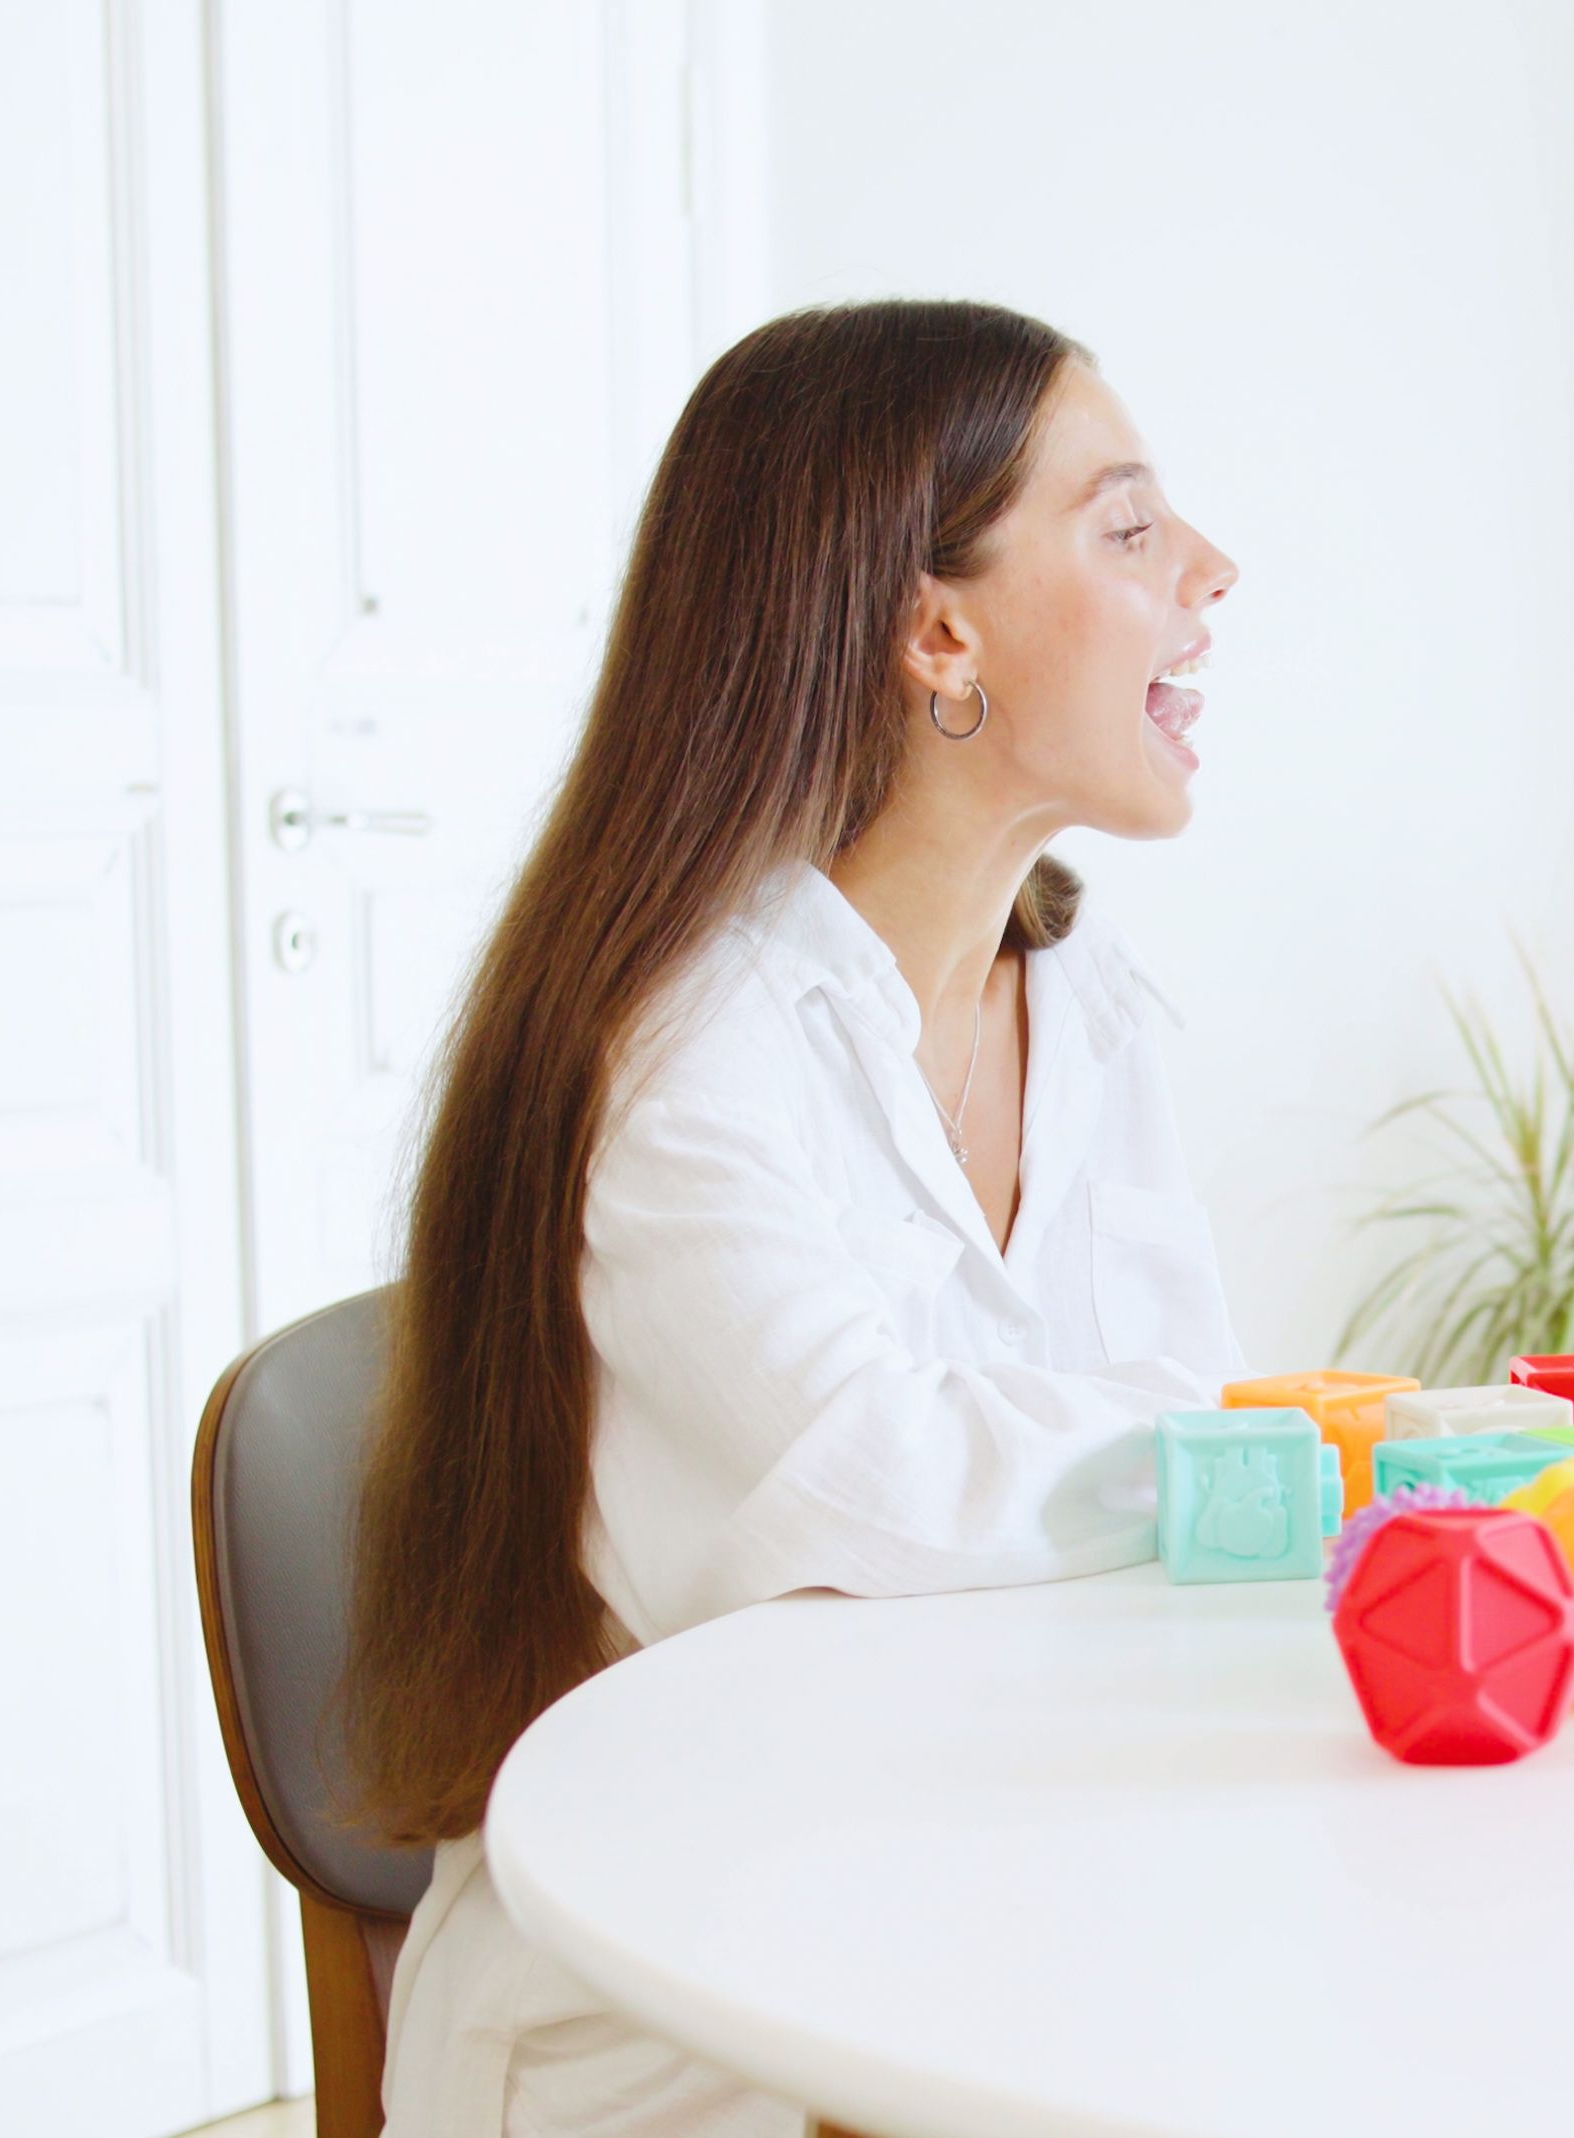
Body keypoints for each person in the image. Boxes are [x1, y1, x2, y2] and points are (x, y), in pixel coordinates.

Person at [350, 298, 1242, 2133]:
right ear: (938, 632)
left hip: (983, 1890)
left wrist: (1239, 1453)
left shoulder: (1092, 1018)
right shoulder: (685, 1053)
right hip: (679, 2003)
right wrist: (1244, 1442)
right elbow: (867, 1495)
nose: (1211, 572)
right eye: (1131, 528)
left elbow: (1196, 1485)